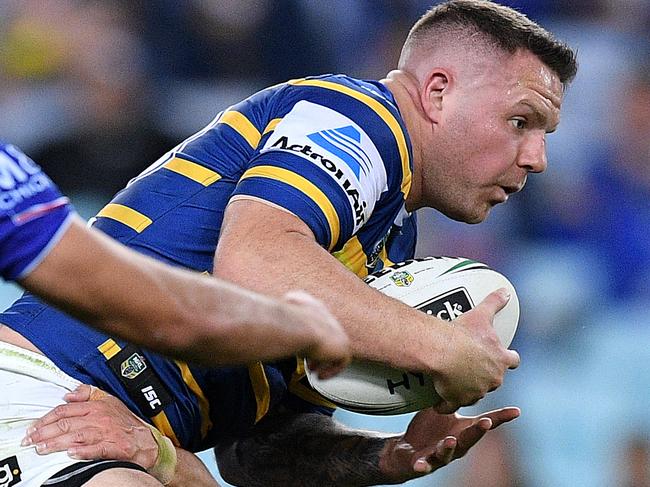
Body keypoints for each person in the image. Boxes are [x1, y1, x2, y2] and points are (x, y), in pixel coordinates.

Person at [0, 1, 577, 485]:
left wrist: (386, 455)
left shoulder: (386, 241)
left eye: (545, 135)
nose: (537, 158)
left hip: (121, 434)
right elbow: (254, 263)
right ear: (438, 92)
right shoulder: (357, 119)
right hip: (43, 393)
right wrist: (443, 347)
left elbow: (255, 451)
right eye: (521, 122)